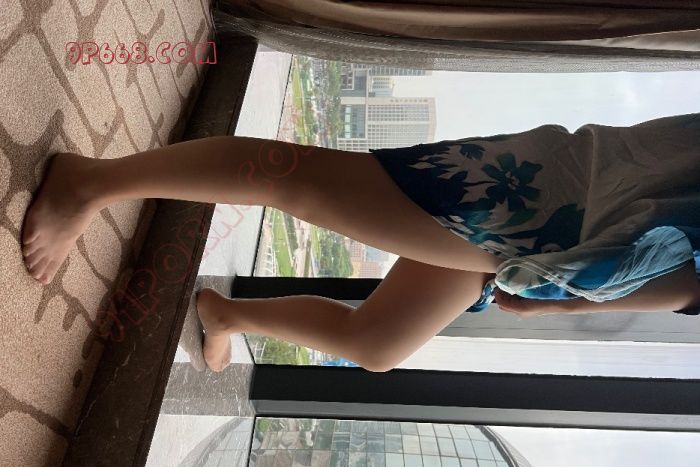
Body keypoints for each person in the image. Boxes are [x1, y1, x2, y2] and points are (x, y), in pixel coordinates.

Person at [21, 114, 700, 372]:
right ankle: (91, 181)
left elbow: (685, 295)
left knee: (377, 346)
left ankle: (225, 313)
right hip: (564, 206)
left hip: (558, 254)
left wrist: (562, 298)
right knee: (301, 182)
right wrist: (565, 298)